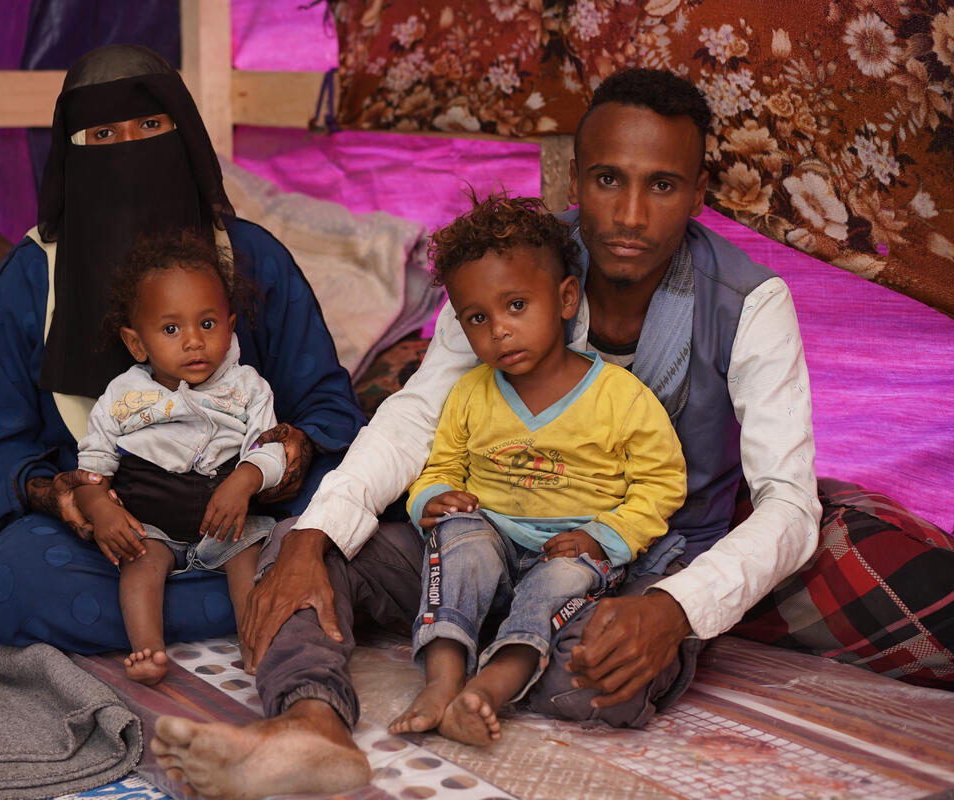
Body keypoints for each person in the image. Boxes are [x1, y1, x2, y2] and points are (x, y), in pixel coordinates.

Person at [151, 68, 820, 800]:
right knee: (298, 549)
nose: (630, 213)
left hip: (626, 564)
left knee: (608, 679)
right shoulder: (511, 264)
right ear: (575, 181)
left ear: (698, 195)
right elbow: (418, 412)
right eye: (606, 179)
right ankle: (311, 728)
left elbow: (789, 503)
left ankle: (480, 649)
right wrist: (319, 535)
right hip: (481, 530)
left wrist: (675, 610)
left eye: (662, 186)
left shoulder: (751, 303)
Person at [0, 44, 365, 655]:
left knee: (365, 523)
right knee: (17, 582)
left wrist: (290, 453)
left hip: (249, 509)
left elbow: (330, 407)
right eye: (102, 133)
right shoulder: (28, 278)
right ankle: (263, 599)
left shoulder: (252, 258)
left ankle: (209, 597)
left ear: (185, 136)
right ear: (69, 154)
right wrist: (63, 494)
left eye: (150, 126)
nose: (130, 147)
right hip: (111, 535)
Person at [387, 194, 687, 746]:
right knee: (458, 539)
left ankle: (489, 691)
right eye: (478, 318)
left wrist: (604, 537)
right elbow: (444, 464)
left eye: (517, 306)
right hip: (491, 532)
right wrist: (430, 496)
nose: (498, 330)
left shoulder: (621, 398)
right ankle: (443, 679)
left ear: (566, 297)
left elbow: (661, 483)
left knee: (562, 581)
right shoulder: (471, 392)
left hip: (571, 546)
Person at [75, 230, 286, 684]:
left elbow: (270, 449)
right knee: (138, 565)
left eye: (207, 324)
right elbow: (93, 466)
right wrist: (98, 509)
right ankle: (148, 649)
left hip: (227, 519)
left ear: (229, 326)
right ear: (136, 343)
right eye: (172, 329)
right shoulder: (124, 395)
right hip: (151, 523)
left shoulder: (248, 387)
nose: (193, 341)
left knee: (250, 560)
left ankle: (255, 644)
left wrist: (245, 479)